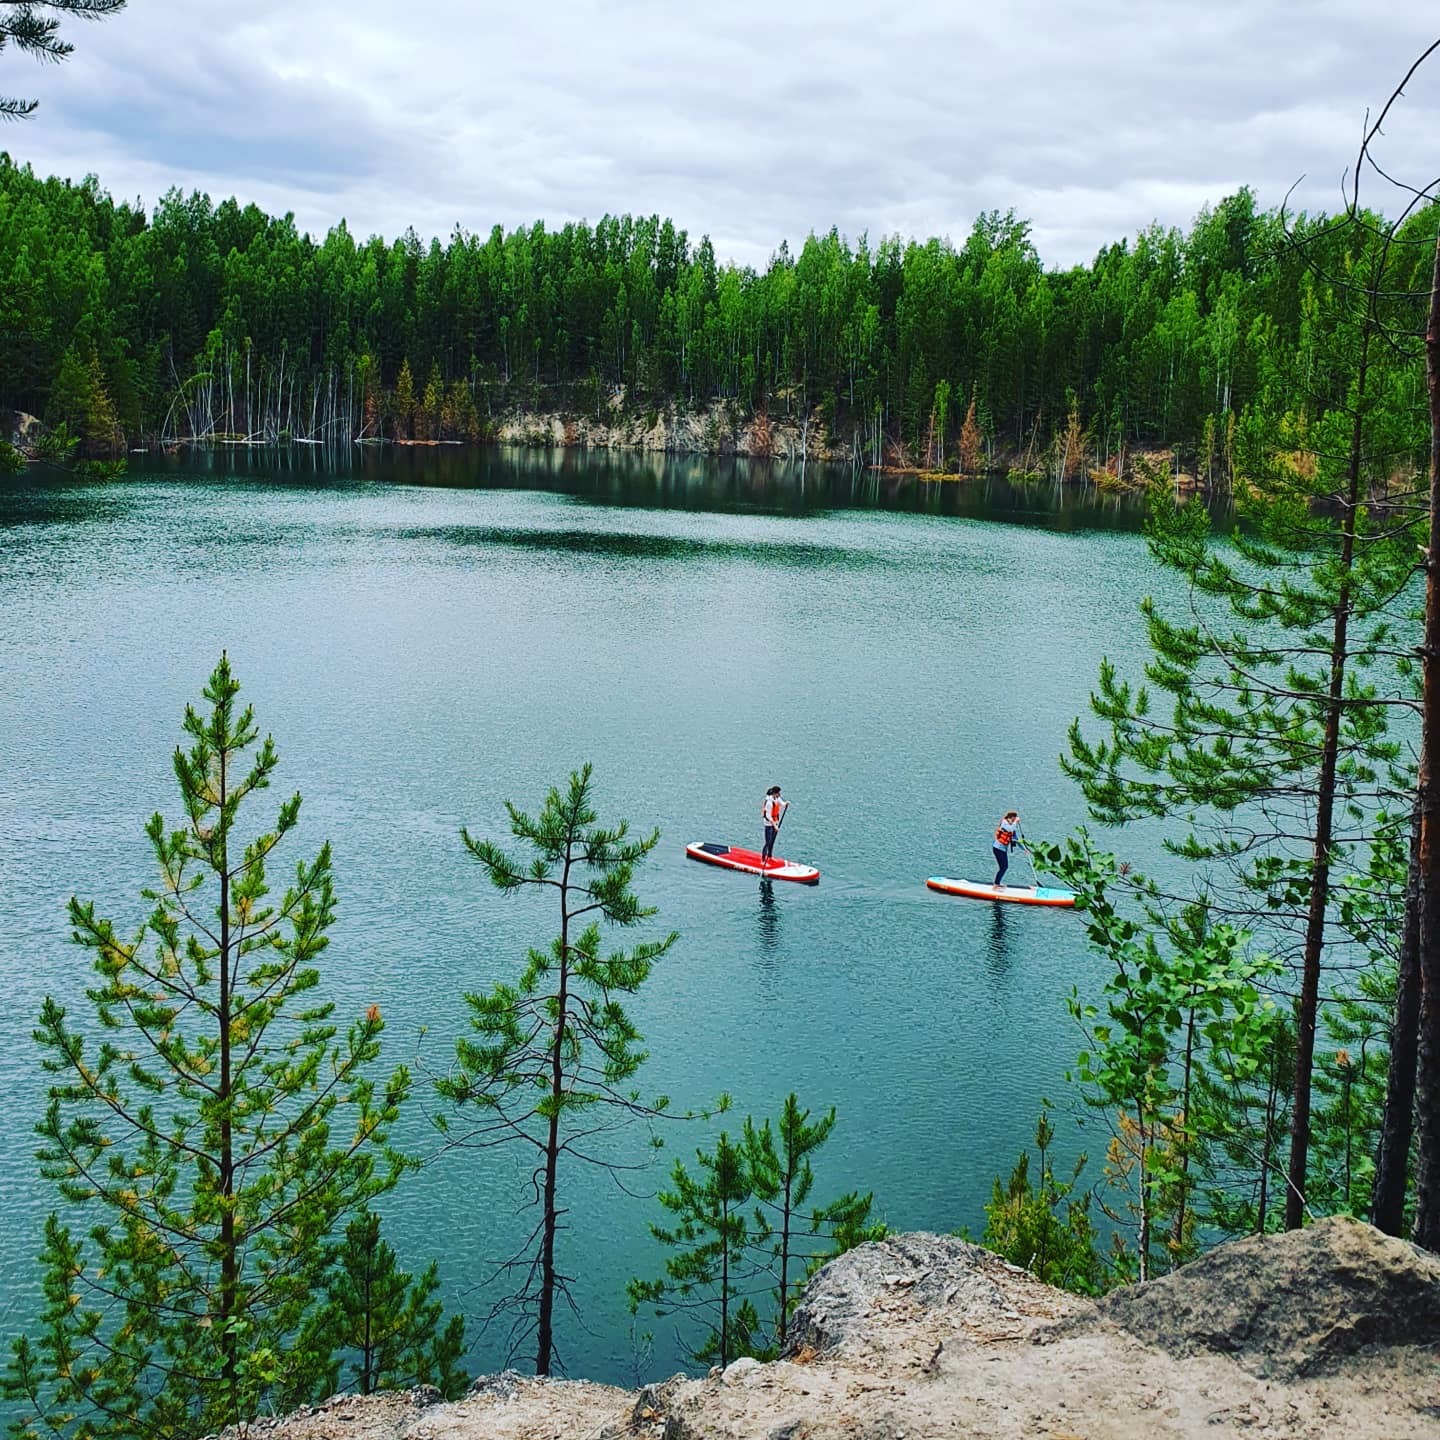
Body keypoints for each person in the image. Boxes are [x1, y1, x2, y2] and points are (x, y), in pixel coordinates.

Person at [993, 810, 1022, 887]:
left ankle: (997, 883)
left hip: (1003, 849)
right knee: (1004, 867)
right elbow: (1010, 829)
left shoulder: (1012, 826)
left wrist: (1024, 849)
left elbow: (1016, 839)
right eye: (1013, 819)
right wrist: (1016, 821)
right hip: (998, 848)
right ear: (1011, 817)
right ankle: (996, 884)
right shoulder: (1004, 823)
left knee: (1004, 867)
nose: (1014, 821)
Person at [762, 785, 789, 863]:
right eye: (778, 793)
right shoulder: (769, 803)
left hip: (775, 823)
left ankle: (769, 857)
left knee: (772, 841)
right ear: (774, 793)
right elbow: (768, 816)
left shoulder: (777, 799)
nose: (779, 794)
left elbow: (782, 803)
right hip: (768, 824)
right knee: (768, 842)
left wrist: (786, 803)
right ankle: (763, 860)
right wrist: (774, 826)